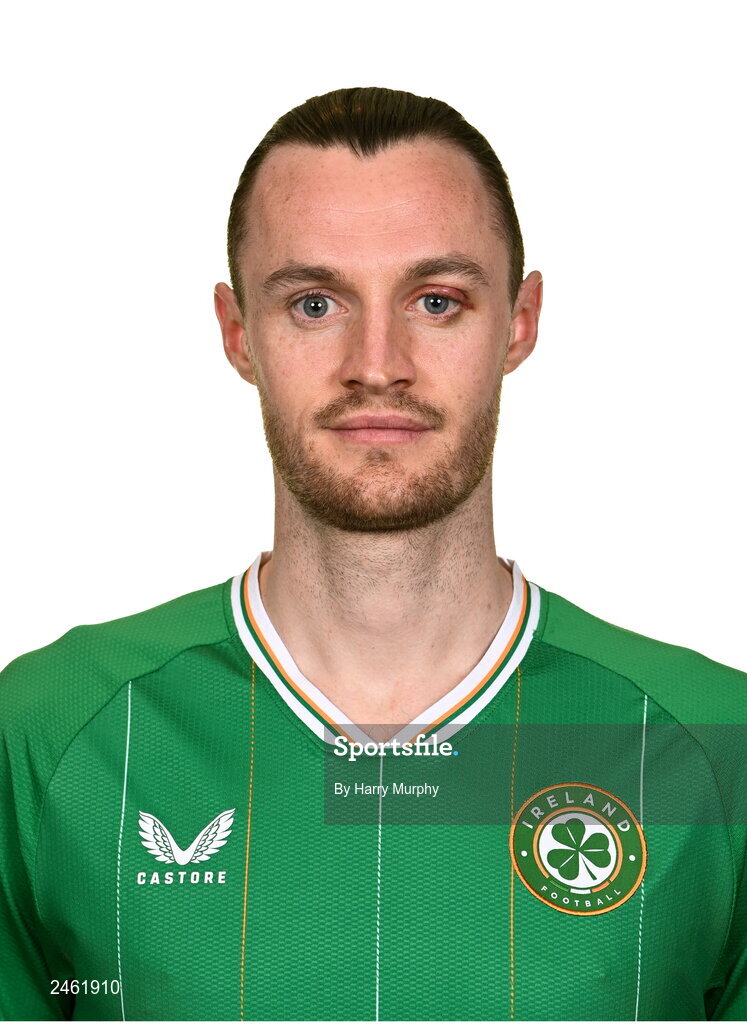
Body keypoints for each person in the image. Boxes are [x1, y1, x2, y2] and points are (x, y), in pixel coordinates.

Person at [0, 86, 744, 1023]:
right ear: (238, 333)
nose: (378, 362)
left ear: (519, 322)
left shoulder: (713, 744)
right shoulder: (48, 732)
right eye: (314, 304)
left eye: (436, 301)